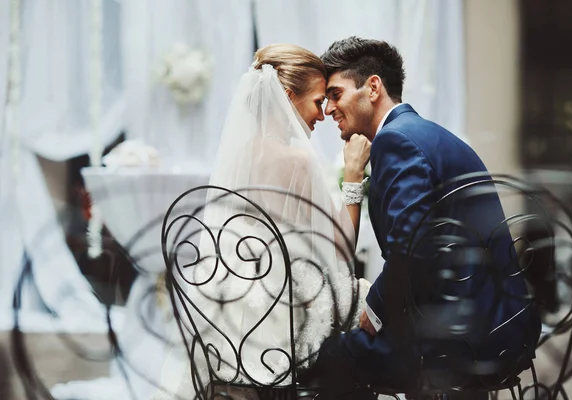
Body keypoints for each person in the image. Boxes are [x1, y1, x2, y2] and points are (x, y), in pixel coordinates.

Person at [300, 37, 542, 399]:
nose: (330, 108)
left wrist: (375, 310)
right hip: (496, 323)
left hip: (457, 341)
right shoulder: (424, 134)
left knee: (326, 357)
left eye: (336, 94)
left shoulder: (396, 142)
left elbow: (408, 249)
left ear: (373, 87)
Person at [152, 44, 371, 399]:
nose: (322, 114)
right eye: (317, 102)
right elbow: (343, 246)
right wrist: (354, 175)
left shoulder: (237, 154)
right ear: (287, 97)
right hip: (277, 319)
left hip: (223, 312)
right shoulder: (297, 160)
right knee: (373, 304)